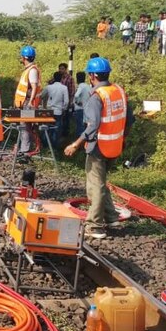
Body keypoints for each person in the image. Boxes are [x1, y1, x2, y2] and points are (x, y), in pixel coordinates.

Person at [64, 57, 132, 239]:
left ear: (92, 75)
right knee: (101, 182)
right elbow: (129, 120)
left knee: (95, 186)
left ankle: (95, 226)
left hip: (99, 147)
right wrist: (122, 138)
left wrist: (75, 144)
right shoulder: (118, 91)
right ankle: (111, 217)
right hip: (115, 146)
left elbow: (92, 125)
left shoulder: (97, 97)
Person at [14, 45, 41, 158]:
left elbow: (34, 87)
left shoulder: (32, 70)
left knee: (25, 126)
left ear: (23, 58)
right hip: (24, 103)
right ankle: (24, 148)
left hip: (27, 104)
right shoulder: (29, 70)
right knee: (25, 126)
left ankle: (25, 151)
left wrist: (30, 102)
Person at [40, 72, 69, 149]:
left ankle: (45, 145)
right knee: (56, 129)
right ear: (61, 79)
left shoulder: (48, 87)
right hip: (58, 111)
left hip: (49, 111)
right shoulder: (64, 88)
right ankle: (54, 147)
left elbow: (41, 95)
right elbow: (66, 101)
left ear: (54, 78)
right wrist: (64, 109)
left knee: (46, 128)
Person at [58, 63, 75, 138]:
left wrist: (70, 101)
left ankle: (65, 134)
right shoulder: (58, 77)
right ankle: (60, 132)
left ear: (66, 69)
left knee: (66, 117)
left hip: (66, 100)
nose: (61, 70)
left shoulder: (69, 78)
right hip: (58, 101)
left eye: (62, 69)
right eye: (60, 68)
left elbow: (72, 91)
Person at [73, 71, 90, 138]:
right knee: (85, 126)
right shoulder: (88, 86)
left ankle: (80, 143)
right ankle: (85, 141)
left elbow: (76, 95)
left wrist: (77, 102)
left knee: (80, 126)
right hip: (86, 108)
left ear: (77, 79)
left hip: (80, 109)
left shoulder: (80, 86)